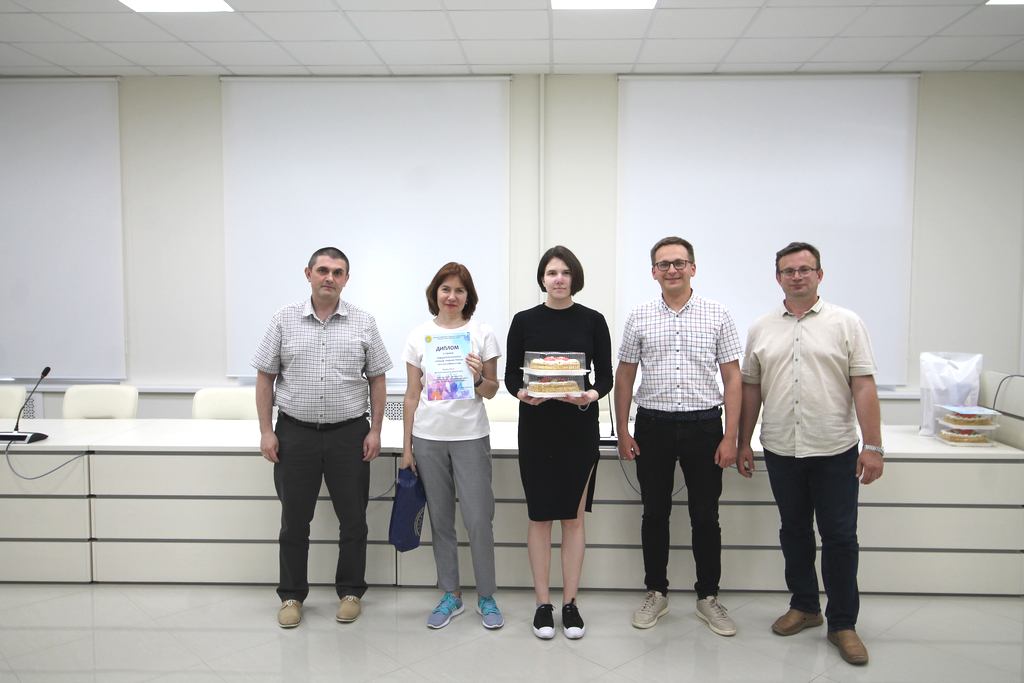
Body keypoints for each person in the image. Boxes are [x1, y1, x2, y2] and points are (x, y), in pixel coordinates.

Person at [737, 241, 883, 666]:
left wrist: (873, 446)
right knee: (794, 531)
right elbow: (751, 389)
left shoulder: (846, 323)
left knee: (840, 537)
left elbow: (863, 386)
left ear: (820, 275)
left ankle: (843, 623)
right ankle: (804, 606)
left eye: (805, 269)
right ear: (777, 277)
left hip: (834, 448)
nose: (797, 276)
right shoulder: (761, 327)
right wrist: (743, 441)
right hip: (782, 448)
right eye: (789, 270)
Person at [252, 246, 392, 629]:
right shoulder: (283, 319)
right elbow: (265, 377)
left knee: (354, 520)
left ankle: (351, 592)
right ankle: (291, 596)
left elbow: (377, 380)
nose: (330, 277)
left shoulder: (364, 322)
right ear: (308, 274)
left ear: (346, 279)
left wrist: (375, 430)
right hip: (295, 435)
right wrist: (266, 431)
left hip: (349, 434)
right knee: (294, 521)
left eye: (338, 272)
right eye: (323, 270)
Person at [614, 236, 742, 635]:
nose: (672, 270)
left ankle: (708, 597)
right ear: (653, 272)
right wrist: (623, 430)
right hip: (653, 426)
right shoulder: (639, 317)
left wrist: (731, 437)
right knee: (654, 512)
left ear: (693, 268)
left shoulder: (718, 314)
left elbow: (733, 377)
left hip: (705, 427)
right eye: (664, 264)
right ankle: (656, 591)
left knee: (705, 515)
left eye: (679, 263)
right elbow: (625, 375)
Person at [504, 245, 613, 641]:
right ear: (542, 278)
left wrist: (590, 395)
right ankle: (542, 604)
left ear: (575, 278)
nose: (559, 279)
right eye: (552, 272)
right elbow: (511, 377)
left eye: (565, 272)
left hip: (578, 429)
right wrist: (522, 394)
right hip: (536, 428)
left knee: (573, 518)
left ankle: (570, 603)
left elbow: (605, 377)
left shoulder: (593, 320)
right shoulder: (524, 320)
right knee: (539, 517)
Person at [400, 262, 504, 631]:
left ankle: (486, 596)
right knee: (441, 520)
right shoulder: (419, 336)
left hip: (470, 437)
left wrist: (477, 378)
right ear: (435, 293)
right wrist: (407, 449)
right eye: (446, 289)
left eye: (459, 290)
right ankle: (451, 593)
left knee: (478, 519)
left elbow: (492, 390)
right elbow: (411, 395)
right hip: (428, 438)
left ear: (468, 296)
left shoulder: (482, 333)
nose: (452, 296)